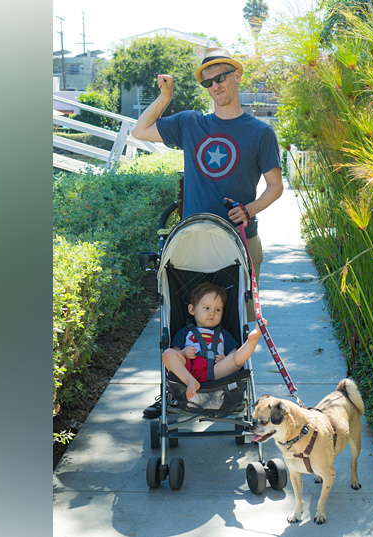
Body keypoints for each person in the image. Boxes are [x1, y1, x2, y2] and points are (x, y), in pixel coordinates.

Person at [133, 47, 283, 417]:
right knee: (182, 320)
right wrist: (165, 98)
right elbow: (140, 130)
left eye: (221, 77)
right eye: (209, 81)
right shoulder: (190, 124)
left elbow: (275, 186)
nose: (216, 85)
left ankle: (237, 395)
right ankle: (174, 390)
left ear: (236, 76)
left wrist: (250, 209)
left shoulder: (260, 133)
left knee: (236, 321)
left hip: (240, 246)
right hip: (194, 244)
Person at [162, 283, 265, 400]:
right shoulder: (185, 332)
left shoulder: (223, 333)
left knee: (235, 360)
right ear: (192, 309)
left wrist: (225, 358)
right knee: (168, 354)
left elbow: (234, 353)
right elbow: (175, 352)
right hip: (188, 369)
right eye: (207, 308)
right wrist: (183, 353)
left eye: (217, 310)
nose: (212, 313)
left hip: (215, 370)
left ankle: (252, 341)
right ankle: (190, 381)